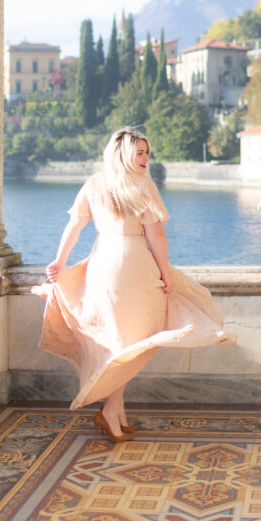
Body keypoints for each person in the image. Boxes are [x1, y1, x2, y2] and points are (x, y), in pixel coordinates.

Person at [32, 126, 235, 443]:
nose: (145, 158)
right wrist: (165, 272)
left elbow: (75, 225)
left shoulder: (95, 184)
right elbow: (157, 235)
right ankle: (110, 412)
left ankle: (119, 413)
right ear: (123, 153)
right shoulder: (143, 187)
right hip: (133, 265)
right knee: (137, 340)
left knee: (122, 339)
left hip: (103, 263)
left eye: (147, 153)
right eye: (139, 152)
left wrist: (60, 261)